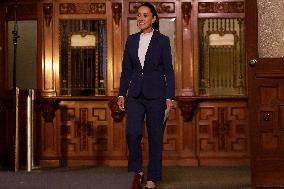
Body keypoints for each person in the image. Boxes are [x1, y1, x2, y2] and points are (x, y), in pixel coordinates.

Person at [117, 2, 175, 189]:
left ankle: (152, 177)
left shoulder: (162, 41)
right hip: (135, 95)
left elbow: (169, 71)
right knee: (132, 133)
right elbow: (126, 70)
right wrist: (121, 94)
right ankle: (137, 171)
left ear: (153, 19)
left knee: (155, 137)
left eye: (145, 15)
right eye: (138, 15)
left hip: (157, 96)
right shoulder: (131, 40)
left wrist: (169, 97)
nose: (140, 18)